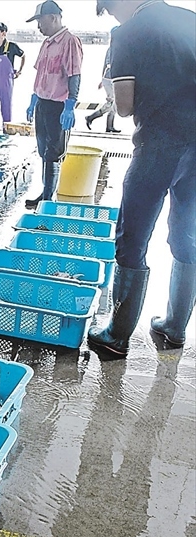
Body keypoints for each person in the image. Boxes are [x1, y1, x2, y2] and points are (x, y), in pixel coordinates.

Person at [88, 0, 196, 357]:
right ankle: (175, 327)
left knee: (131, 237)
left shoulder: (128, 33)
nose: (114, 18)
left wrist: (108, 87)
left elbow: (124, 105)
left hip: (157, 147)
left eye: (110, 10)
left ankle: (117, 335)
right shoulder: (189, 19)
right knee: (186, 234)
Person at [24, 0, 82, 209]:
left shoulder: (70, 41)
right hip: (42, 103)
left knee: (53, 153)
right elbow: (40, 74)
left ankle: (49, 201)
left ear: (53, 18)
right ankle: (45, 193)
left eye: (40, 21)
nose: (38, 26)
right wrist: (33, 99)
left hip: (58, 105)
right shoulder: (46, 43)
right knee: (42, 150)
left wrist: (70, 104)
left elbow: (75, 74)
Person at [0, 22, 25, 135]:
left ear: (3, 33)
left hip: (6, 84)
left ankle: (7, 135)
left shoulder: (12, 47)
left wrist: (20, 71)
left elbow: (23, 56)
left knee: (6, 109)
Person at [85, 26, 120, 133]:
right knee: (112, 103)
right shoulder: (115, 48)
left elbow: (105, 65)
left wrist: (102, 79)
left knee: (114, 103)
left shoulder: (112, 48)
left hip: (108, 78)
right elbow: (110, 65)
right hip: (111, 79)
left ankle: (109, 126)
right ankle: (91, 117)